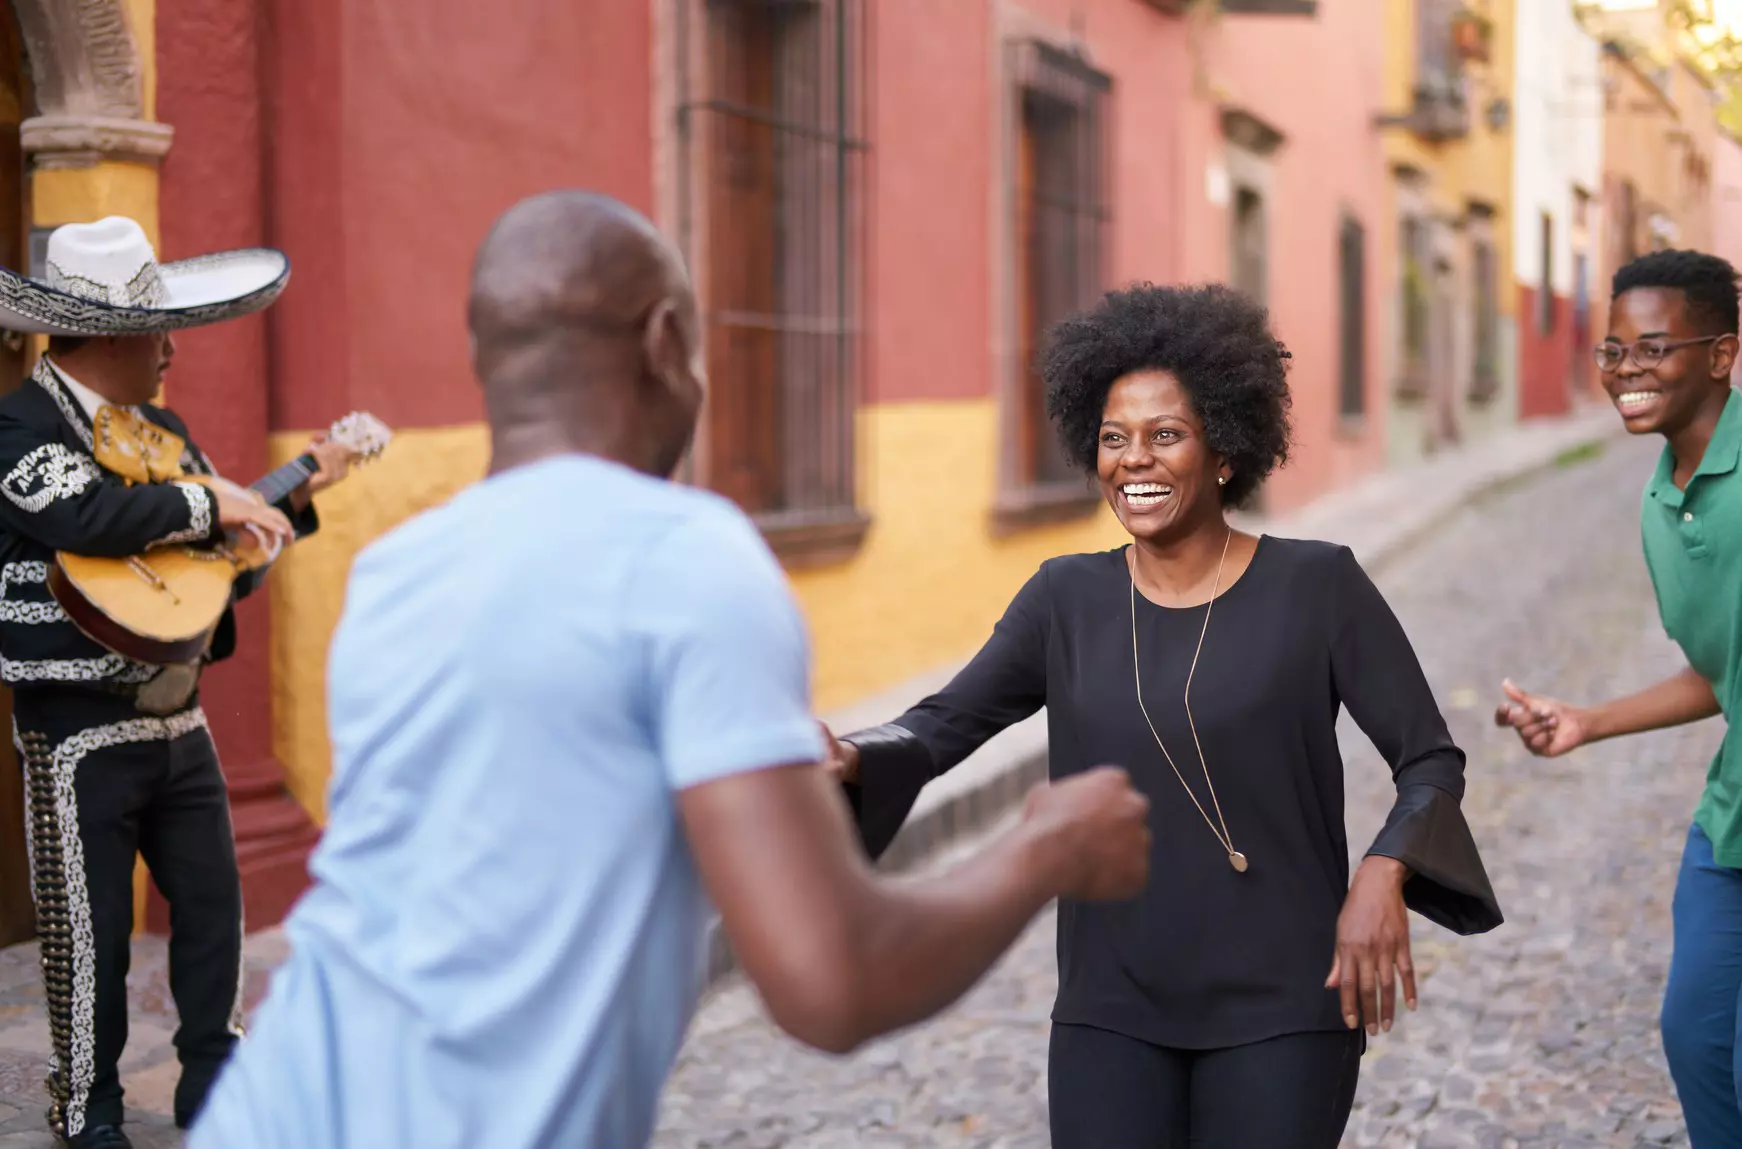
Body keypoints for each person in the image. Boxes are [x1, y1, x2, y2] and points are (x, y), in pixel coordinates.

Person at [187, 189, 1151, 1149]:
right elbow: (834, 980)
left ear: (486, 360)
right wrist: (1047, 849)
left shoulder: (396, 569)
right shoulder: (687, 554)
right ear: (663, 342)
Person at [829, 282, 1505, 1148]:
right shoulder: (1063, 599)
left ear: (1224, 450)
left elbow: (1429, 760)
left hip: (1285, 1003)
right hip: (1111, 1003)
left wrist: (1382, 873)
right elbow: (940, 724)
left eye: (1165, 435)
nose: (1133, 461)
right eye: (1114, 439)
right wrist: (851, 756)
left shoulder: (1318, 586)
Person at [0, 216, 351, 1148]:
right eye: (159, 331)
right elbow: (86, 512)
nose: (170, 348)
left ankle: (214, 1089)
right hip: (77, 730)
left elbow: (199, 579)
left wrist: (274, 516)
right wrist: (211, 501)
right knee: (93, 934)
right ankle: (91, 1113)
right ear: (108, 336)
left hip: (177, 719)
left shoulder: (167, 432)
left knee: (213, 914)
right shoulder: (16, 426)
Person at [1496, 250, 1742, 1146]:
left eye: (1653, 348)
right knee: (1696, 1039)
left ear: (1721, 355)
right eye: (1612, 352)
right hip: (1730, 823)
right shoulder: (1659, 502)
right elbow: (1724, 671)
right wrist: (1588, 720)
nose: (1626, 371)